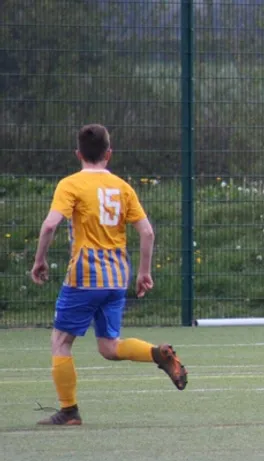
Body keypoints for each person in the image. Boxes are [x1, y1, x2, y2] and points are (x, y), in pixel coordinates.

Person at [30, 124, 188, 426]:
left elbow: (50, 225)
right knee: (109, 346)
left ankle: (69, 411)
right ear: (109, 153)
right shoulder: (123, 187)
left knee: (61, 343)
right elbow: (147, 232)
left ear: (78, 154)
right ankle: (158, 354)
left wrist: (40, 260)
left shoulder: (70, 184)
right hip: (117, 277)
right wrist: (143, 273)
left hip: (84, 276)